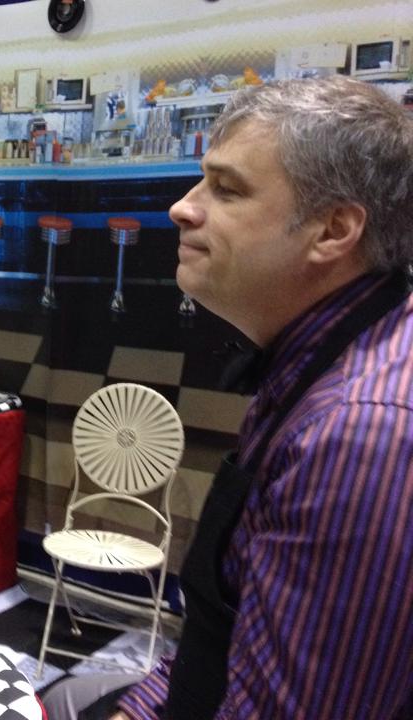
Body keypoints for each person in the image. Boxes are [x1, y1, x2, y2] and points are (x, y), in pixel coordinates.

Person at [95, 76, 413, 720]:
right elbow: (226, 645)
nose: (182, 209)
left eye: (227, 189)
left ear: (333, 230)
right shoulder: (312, 365)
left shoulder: (359, 434)